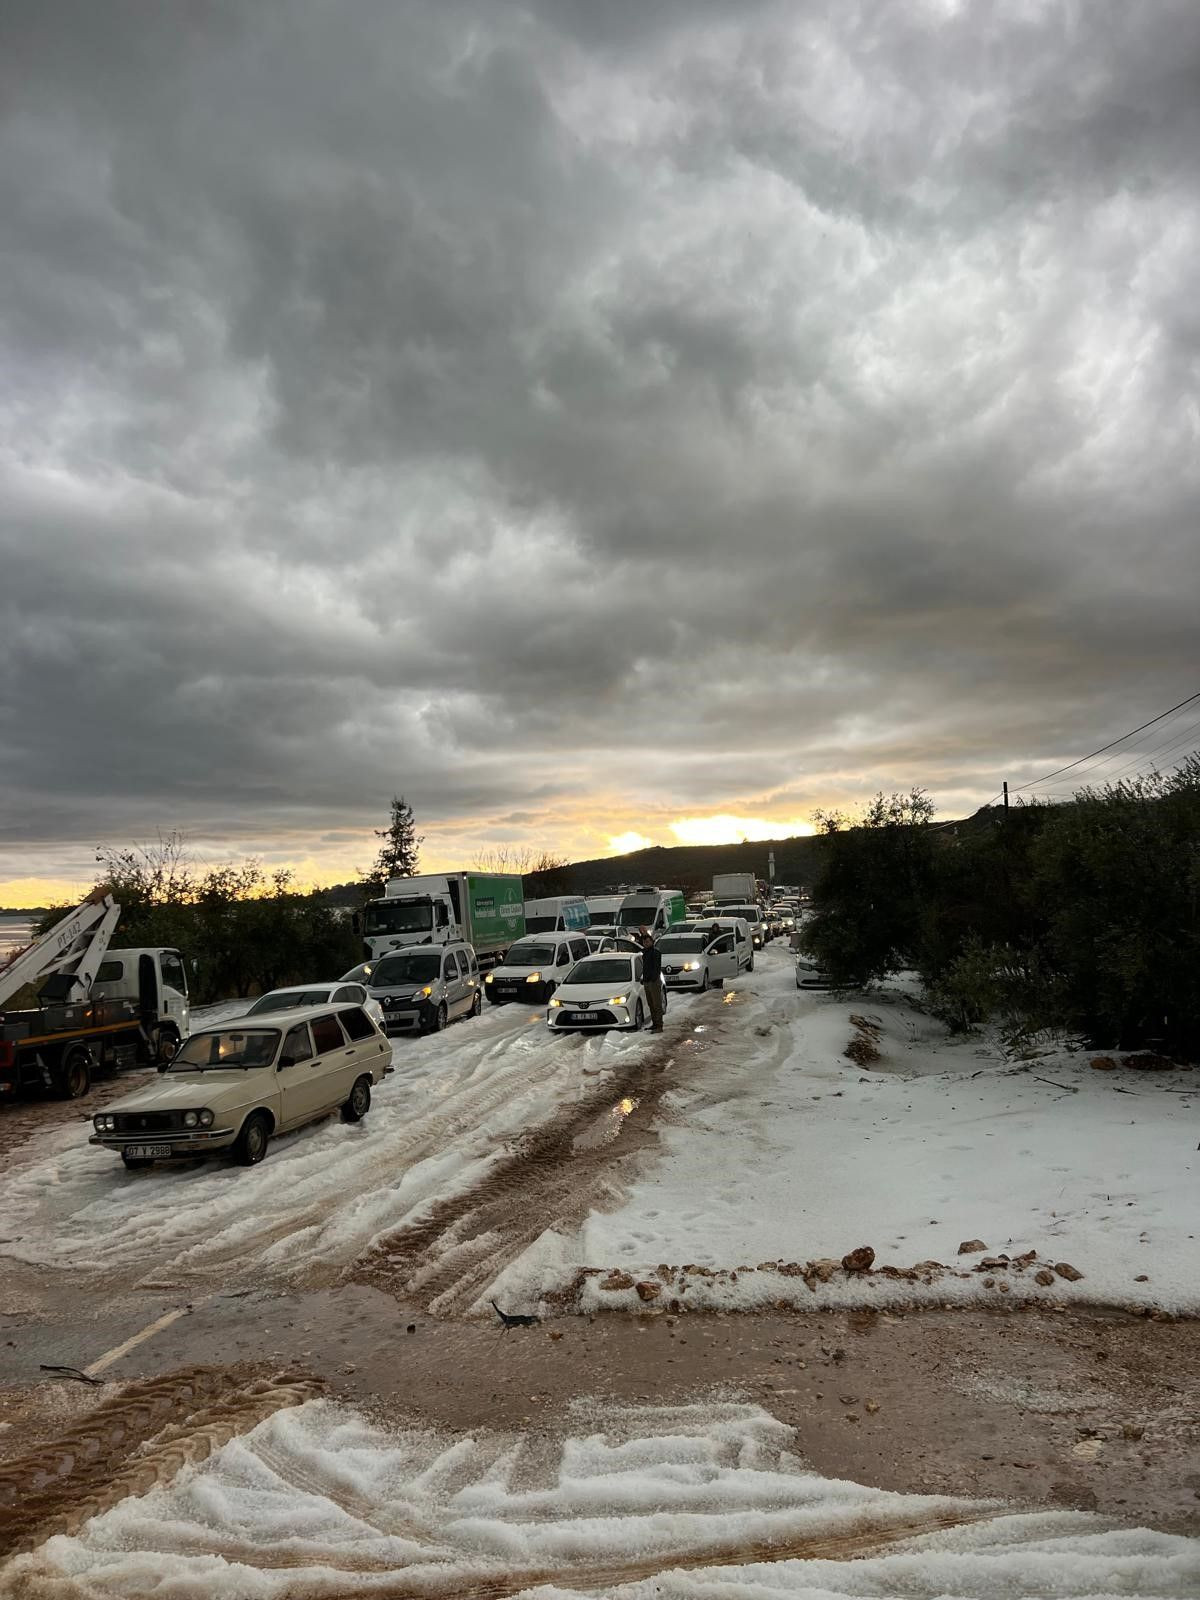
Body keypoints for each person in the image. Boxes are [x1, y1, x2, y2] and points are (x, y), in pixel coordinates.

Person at [639, 927, 664, 1032]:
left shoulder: (655, 952)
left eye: (648, 941)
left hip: (653, 982)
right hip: (647, 982)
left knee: (657, 1004)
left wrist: (652, 979)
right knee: (651, 1004)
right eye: (644, 942)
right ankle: (655, 1023)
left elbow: (656, 968)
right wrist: (644, 979)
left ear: (652, 942)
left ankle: (659, 1026)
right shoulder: (645, 953)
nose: (646, 943)